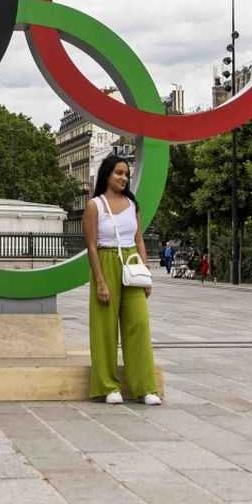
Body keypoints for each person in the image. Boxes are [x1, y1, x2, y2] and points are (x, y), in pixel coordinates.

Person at [84, 152, 161, 405]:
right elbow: (92, 246)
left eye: (126, 174)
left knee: (138, 325)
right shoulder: (95, 205)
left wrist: (146, 273)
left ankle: (145, 387)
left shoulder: (133, 205)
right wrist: (100, 281)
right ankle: (108, 386)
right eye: (119, 173)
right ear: (106, 174)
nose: (124, 178)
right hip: (105, 261)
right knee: (104, 328)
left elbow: (139, 239)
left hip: (131, 263)